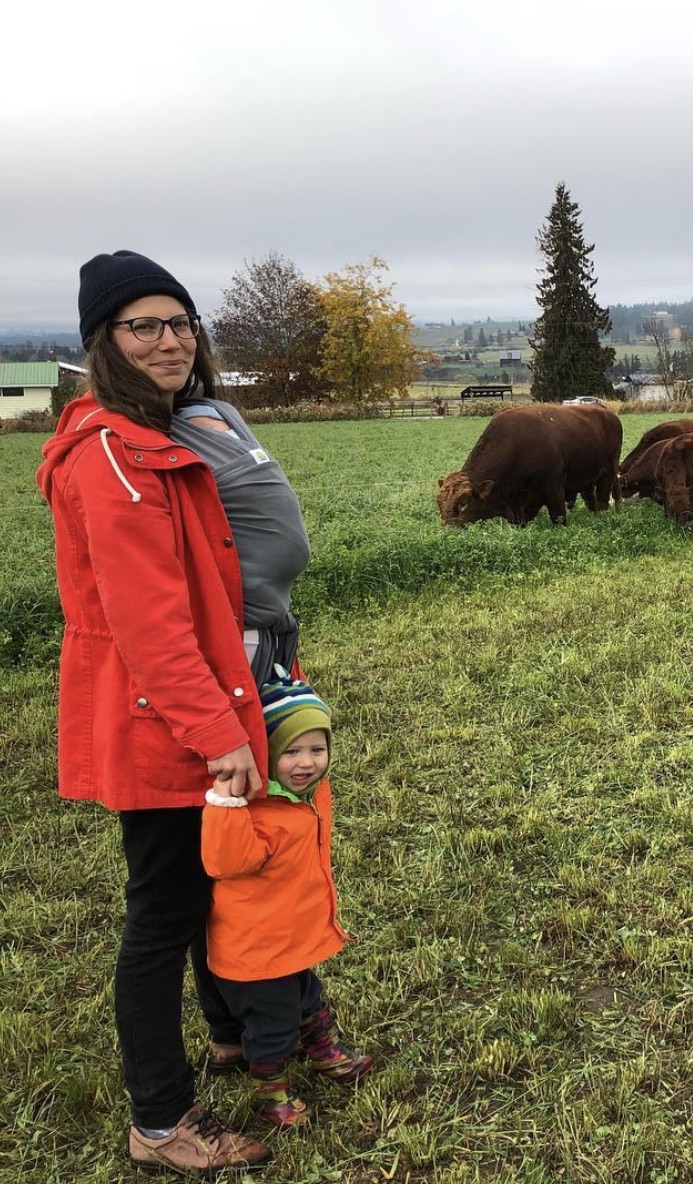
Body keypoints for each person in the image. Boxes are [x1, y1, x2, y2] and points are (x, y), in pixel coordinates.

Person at [36, 250, 314, 1174]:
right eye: (143, 325)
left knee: (206, 889)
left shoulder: (155, 434)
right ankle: (160, 1122)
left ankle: (233, 1034)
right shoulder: (115, 451)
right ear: (103, 342)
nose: (169, 340)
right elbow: (149, 620)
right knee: (163, 912)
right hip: (157, 714)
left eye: (180, 322)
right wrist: (215, 732)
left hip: (194, 697)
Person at [202, 670, 373, 1127]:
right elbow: (223, 861)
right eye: (291, 751)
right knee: (272, 1025)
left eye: (318, 750)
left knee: (308, 999)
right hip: (257, 950)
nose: (307, 762)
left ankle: (323, 1053)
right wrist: (225, 803)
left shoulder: (306, 797)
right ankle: (270, 1092)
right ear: (268, 754)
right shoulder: (253, 812)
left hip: (290, 939)